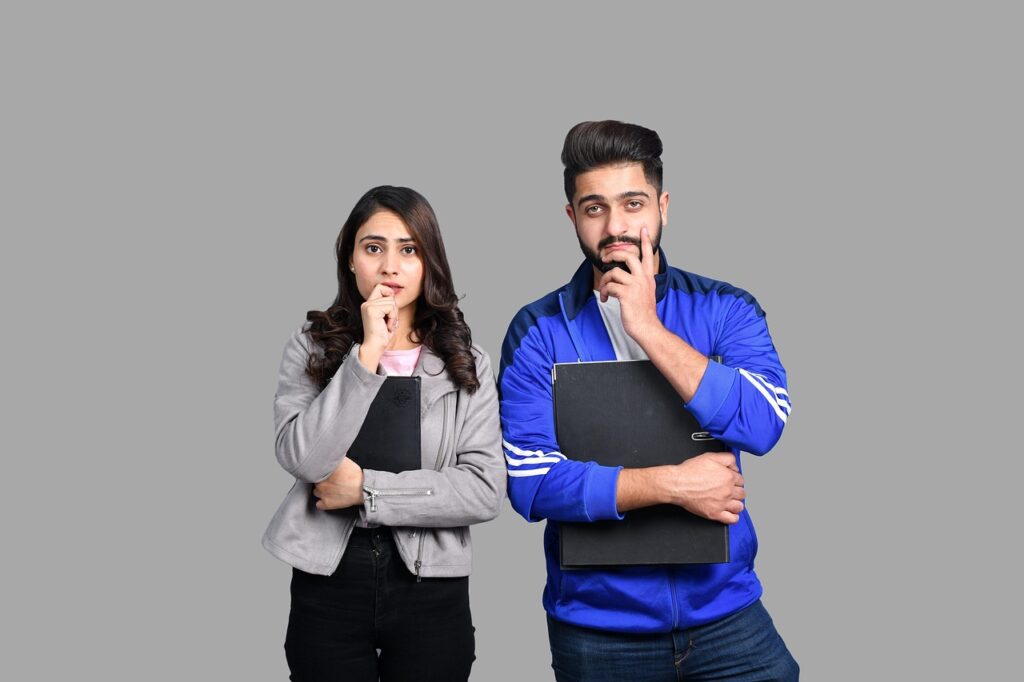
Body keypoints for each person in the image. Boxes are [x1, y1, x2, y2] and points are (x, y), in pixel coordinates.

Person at [499, 121, 799, 681]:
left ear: (662, 206)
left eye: (633, 203)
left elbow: (764, 423)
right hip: (597, 630)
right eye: (594, 208)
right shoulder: (537, 330)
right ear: (571, 216)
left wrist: (648, 327)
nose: (615, 226)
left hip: (726, 616)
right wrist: (672, 485)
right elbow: (531, 482)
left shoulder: (725, 308)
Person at [263, 185, 505, 682]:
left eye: (409, 249)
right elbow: (304, 458)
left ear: (429, 262)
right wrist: (367, 354)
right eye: (374, 248)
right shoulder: (309, 349)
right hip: (327, 576)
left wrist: (365, 490)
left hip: (430, 580)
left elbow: (483, 490)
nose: (390, 266)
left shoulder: (467, 361)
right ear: (350, 259)